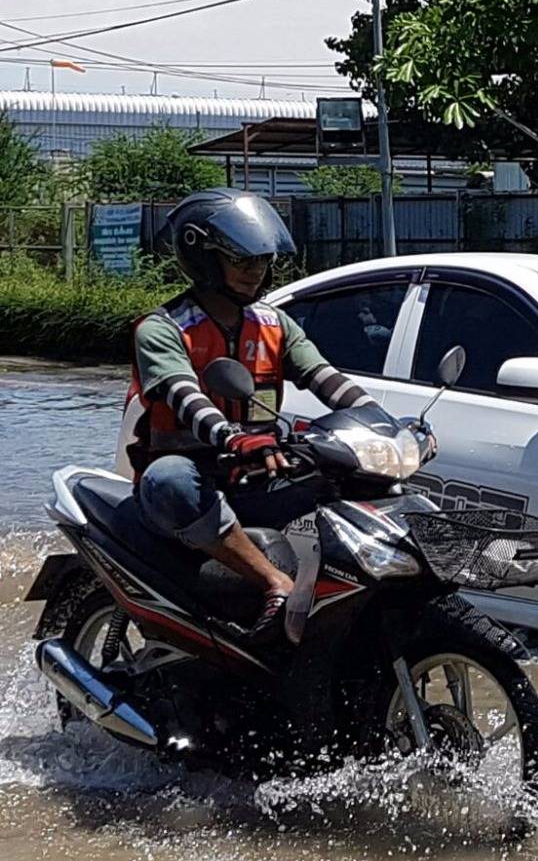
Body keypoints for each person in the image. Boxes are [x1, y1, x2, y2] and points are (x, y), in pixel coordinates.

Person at [126, 189, 379, 641]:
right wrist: (232, 436)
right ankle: (274, 582)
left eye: (262, 260)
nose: (255, 271)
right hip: (191, 481)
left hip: (254, 479)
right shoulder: (163, 329)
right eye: (241, 260)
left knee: (345, 476)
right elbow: (184, 395)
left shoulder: (274, 323)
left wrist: (381, 421)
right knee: (169, 479)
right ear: (204, 258)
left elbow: (325, 378)